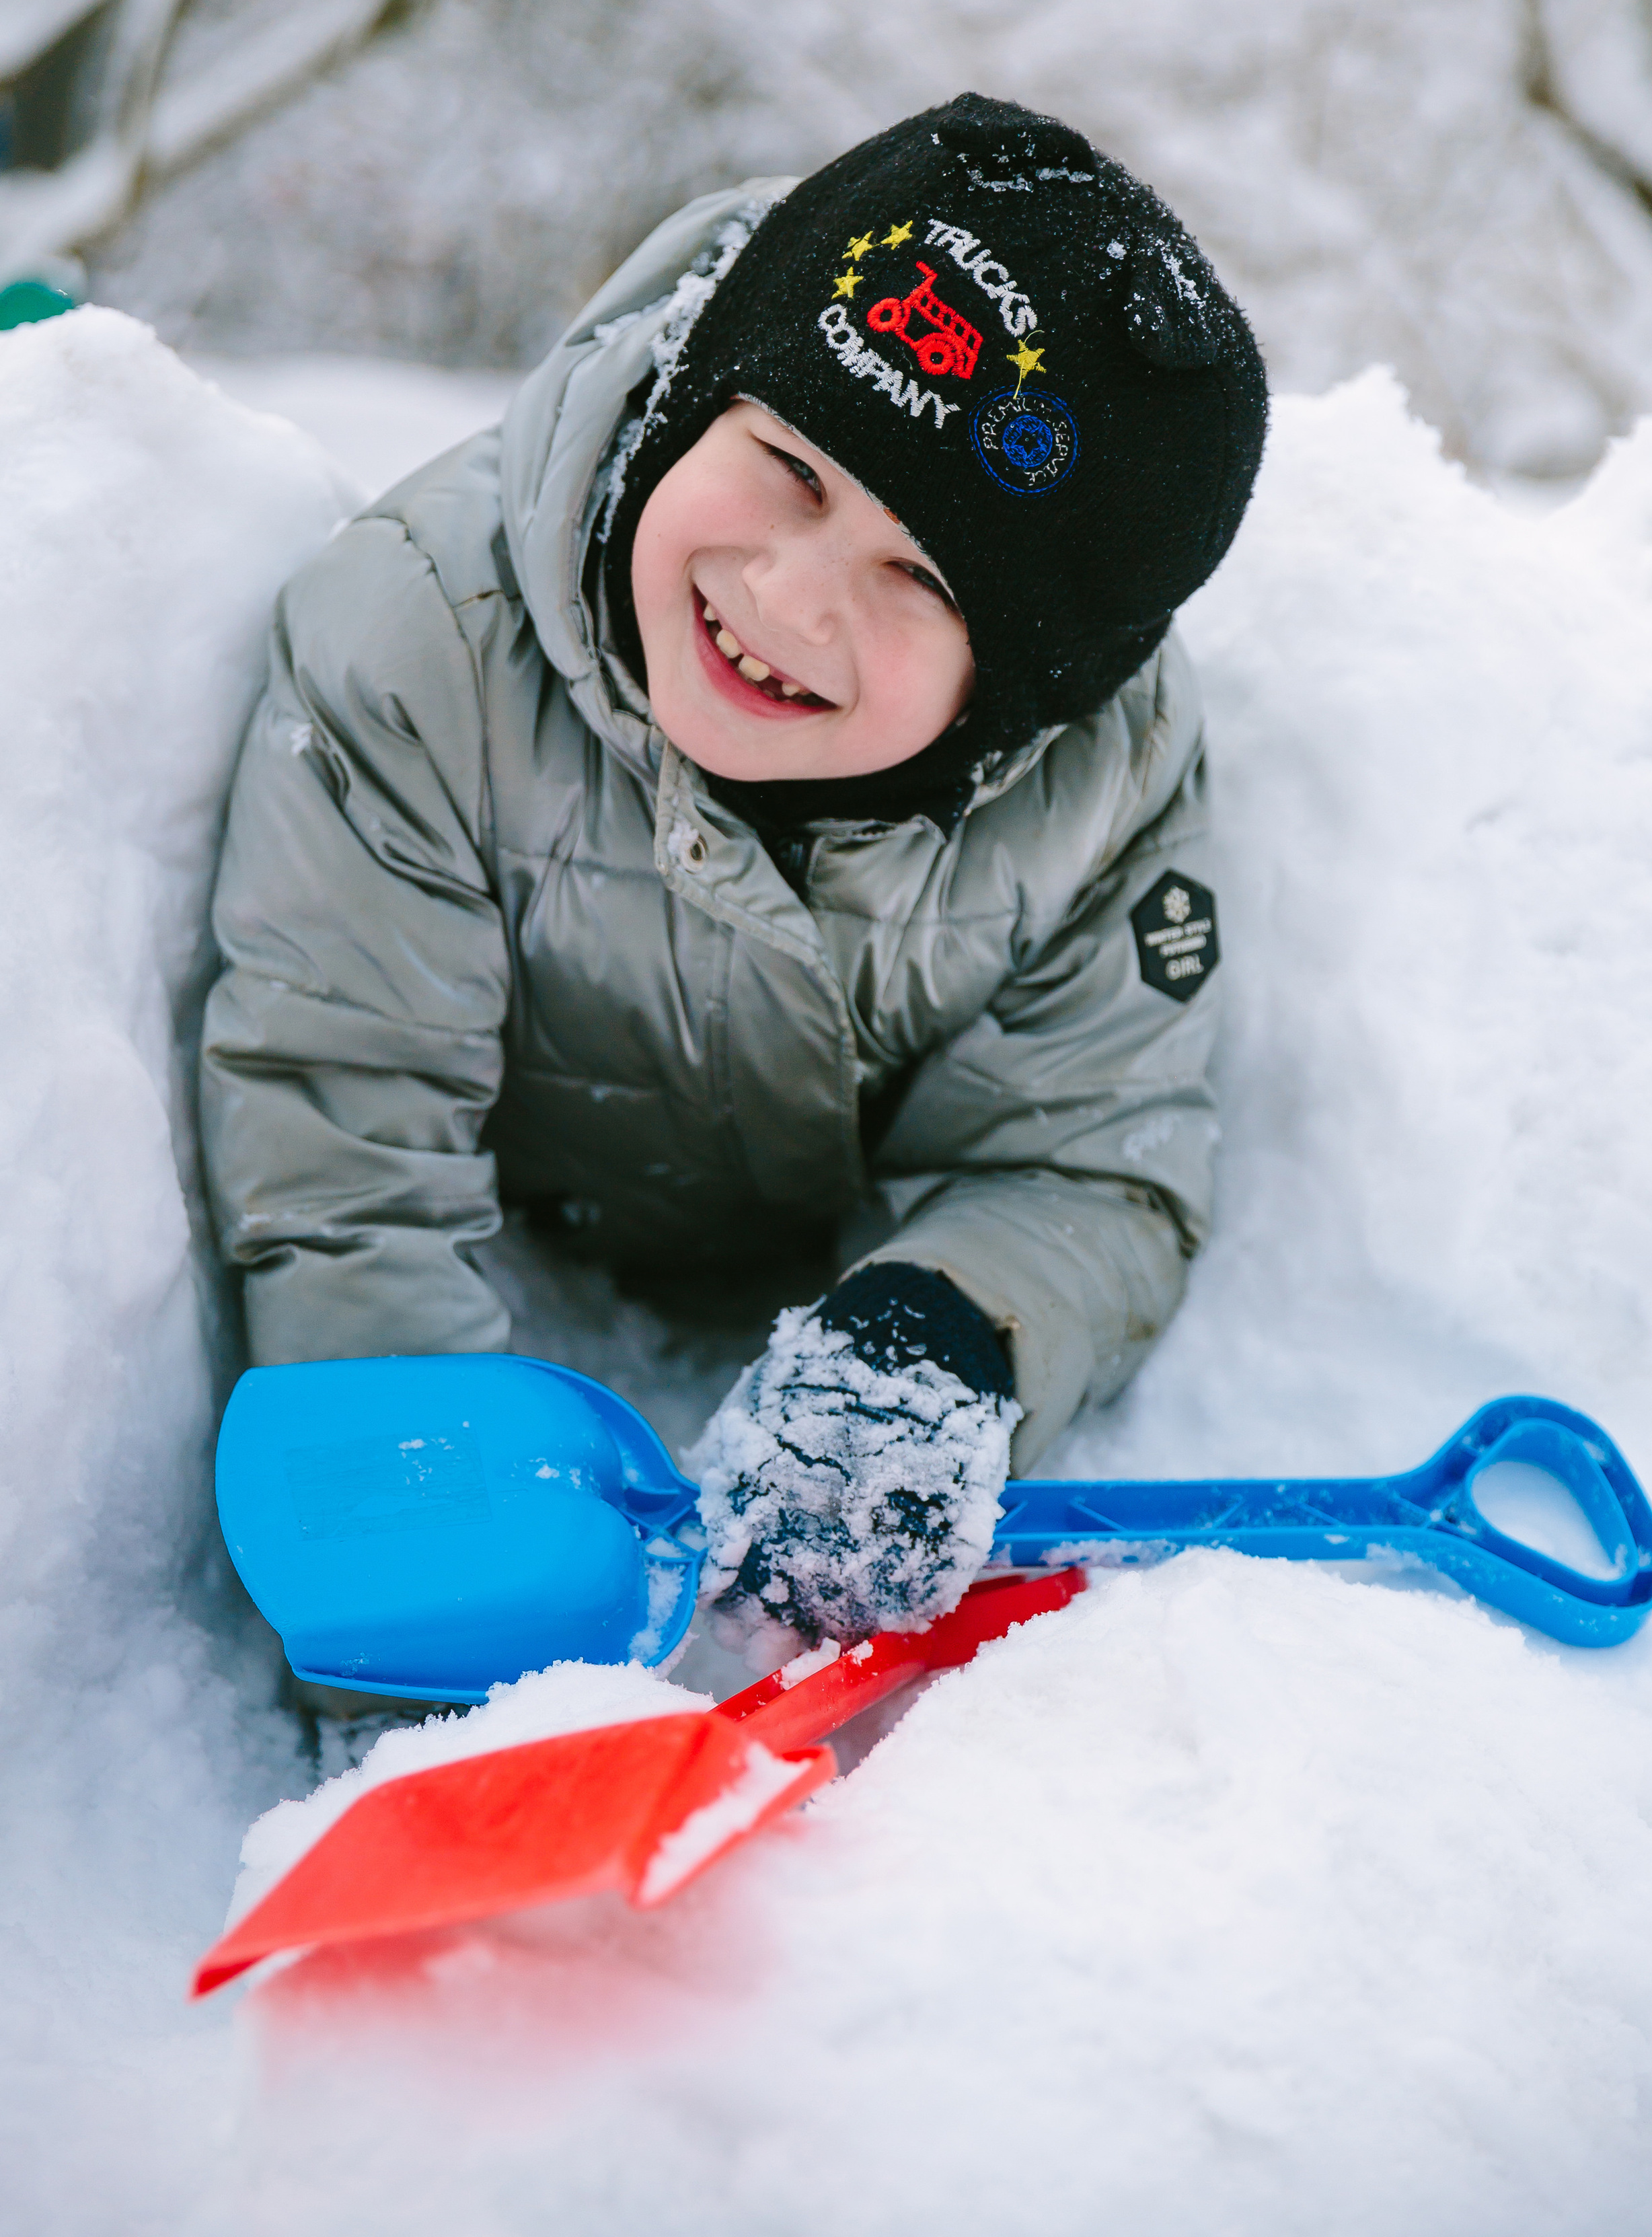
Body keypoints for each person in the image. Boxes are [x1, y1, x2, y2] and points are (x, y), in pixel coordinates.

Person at [200, 93, 1268, 1654]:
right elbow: (340, 1141)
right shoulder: (419, 645)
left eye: (919, 576)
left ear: (1026, 693)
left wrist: (950, 1335)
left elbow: (1086, 1157)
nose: (785, 595)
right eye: (788, 467)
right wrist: (433, 1622)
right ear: (696, 394)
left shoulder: (1097, 788)